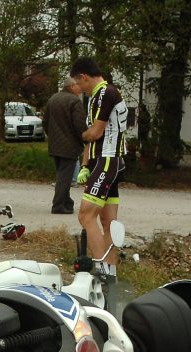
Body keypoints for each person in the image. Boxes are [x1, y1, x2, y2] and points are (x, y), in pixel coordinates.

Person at [70, 57, 128, 273]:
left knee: (85, 215)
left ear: (84, 77)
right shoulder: (95, 97)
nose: (78, 88)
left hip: (107, 160)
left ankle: (101, 271)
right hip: (100, 161)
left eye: (78, 83)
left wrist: (81, 135)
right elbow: (92, 139)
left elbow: (94, 133)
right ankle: (110, 273)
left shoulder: (107, 93)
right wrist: (85, 165)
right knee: (107, 221)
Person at [42, 76, 86, 214]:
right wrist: (86, 139)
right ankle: (58, 205)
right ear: (72, 86)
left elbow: (45, 121)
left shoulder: (53, 99)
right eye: (78, 85)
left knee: (62, 175)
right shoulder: (74, 101)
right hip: (70, 145)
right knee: (64, 178)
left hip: (54, 144)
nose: (81, 88)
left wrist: (52, 136)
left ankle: (67, 202)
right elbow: (79, 125)